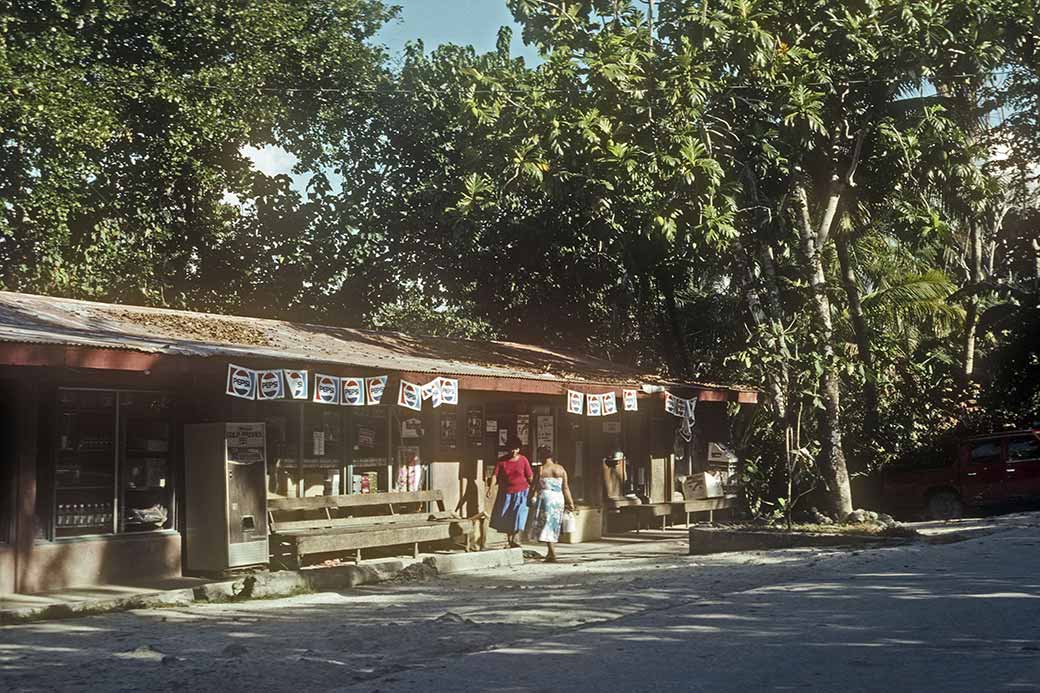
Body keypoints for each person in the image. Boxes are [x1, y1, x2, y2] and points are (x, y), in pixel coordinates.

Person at [526, 448, 575, 562]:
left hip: (546, 498)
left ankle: (552, 553)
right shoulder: (560, 469)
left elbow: (534, 486)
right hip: (558, 498)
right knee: (554, 524)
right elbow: (566, 488)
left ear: (541, 456)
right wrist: (570, 502)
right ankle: (550, 552)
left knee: (546, 524)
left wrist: (529, 498)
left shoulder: (541, 469)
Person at [486, 436, 533, 548]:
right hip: (506, 493)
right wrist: (490, 489)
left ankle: (516, 538)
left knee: (519, 515)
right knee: (507, 516)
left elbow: (530, 476)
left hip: (522, 492)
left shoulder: (523, 460)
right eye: (512, 449)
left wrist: (534, 489)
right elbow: (494, 476)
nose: (514, 451)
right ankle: (509, 540)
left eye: (516, 449)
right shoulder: (501, 461)